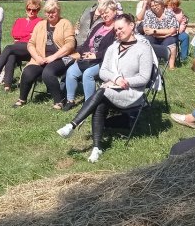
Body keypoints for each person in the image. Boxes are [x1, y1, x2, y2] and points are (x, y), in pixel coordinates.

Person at [56, 13, 155, 162]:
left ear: (132, 26)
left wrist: (123, 81)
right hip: (112, 89)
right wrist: (115, 79)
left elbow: (144, 78)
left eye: (121, 28)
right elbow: (103, 71)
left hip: (131, 93)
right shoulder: (113, 48)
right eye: (116, 30)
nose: (118, 32)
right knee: (100, 102)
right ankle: (97, 148)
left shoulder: (143, 48)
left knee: (101, 92)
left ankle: (72, 125)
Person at [14, 0, 76, 109]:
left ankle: (59, 101)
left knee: (48, 73)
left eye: (53, 12)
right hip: (42, 58)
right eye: (48, 12)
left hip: (65, 57)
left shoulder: (65, 23)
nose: (50, 14)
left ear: (58, 11)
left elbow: (70, 45)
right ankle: (22, 99)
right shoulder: (40, 25)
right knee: (28, 71)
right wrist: (37, 57)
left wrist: (53, 57)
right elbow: (30, 44)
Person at [64, 0, 119, 109]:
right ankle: (70, 100)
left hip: (104, 61)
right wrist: (79, 53)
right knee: (71, 71)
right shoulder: (99, 26)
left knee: (88, 74)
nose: (104, 15)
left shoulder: (117, 29)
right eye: (102, 13)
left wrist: (96, 55)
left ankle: (89, 104)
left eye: (106, 12)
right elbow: (86, 43)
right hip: (89, 58)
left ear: (114, 11)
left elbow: (114, 50)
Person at [0, 0, 42, 91]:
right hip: (18, 48)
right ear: (26, 9)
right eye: (29, 9)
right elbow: (15, 34)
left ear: (38, 11)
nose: (31, 12)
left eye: (34, 10)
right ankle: (7, 86)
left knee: (9, 48)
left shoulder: (40, 22)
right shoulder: (19, 21)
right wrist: (29, 34)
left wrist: (24, 36)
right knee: (11, 55)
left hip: (31, 49)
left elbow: (36, 37)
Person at [140, 0, 180, 69]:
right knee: (145, 41)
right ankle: (148, 63)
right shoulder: (148, 13)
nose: (154, 7)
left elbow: (172, 30)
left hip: (168, 37)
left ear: (161, 5)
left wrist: (154, 31)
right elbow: (146, 30)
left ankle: (171, 66)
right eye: (152, 6)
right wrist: (164, 32)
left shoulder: (169, 13)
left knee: (172, 42)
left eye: (156, 5)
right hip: (154, 37)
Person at [168, 0, 191, 64]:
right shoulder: (166, 11)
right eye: (172, 5)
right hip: (168, 32)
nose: (173, 7)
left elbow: (183, 23)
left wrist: (179, 31)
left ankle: (184, 57)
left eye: (175, 5)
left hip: (178, 32)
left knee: (185, 37)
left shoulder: (180, 11)